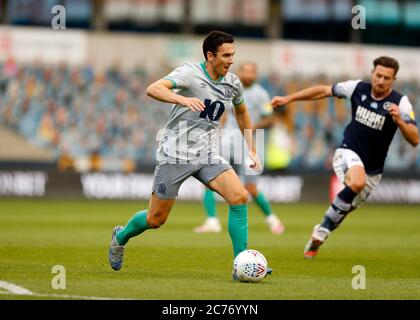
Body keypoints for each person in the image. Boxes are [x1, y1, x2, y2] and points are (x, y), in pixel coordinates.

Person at [108, 31, 267, 276]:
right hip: (176, 154)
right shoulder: (190, 73)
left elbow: (242, 112)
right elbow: (153, 89)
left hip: (207, 154)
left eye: (233, 55)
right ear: (210, 55)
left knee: (239, 197)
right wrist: (182, 101)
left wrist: (252, 148)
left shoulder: (233, 83)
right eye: (226, 55)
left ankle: (241, 265)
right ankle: (121, 236)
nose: (231, 60)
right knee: (155, 220)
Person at [271, 56, 418, 259]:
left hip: (374, 170)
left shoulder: (401, 103)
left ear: (394, 79)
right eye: (378, 75)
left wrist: (400, 122)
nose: (381, 81)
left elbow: (415, 139)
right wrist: (289, 99)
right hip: (348, 152)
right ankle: (323, 230)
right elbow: (323, 91)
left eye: (386, 77)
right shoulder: (357, 88)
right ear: (372, 73)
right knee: (357, 182)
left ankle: (321, 231)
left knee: (345, 207)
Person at [194, 62, 285, 235]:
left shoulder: (261, 94)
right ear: (240, 72)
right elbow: (224, 113)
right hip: (227, 141)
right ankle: (212, 220)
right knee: (209, 178)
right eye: (245, 71)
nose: (248, 74)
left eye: (252, 71)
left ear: (256, 74)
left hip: (249, 144)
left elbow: (270, 119)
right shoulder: (230, 89)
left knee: (250, 187)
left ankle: (272, 219)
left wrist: (249, 126)